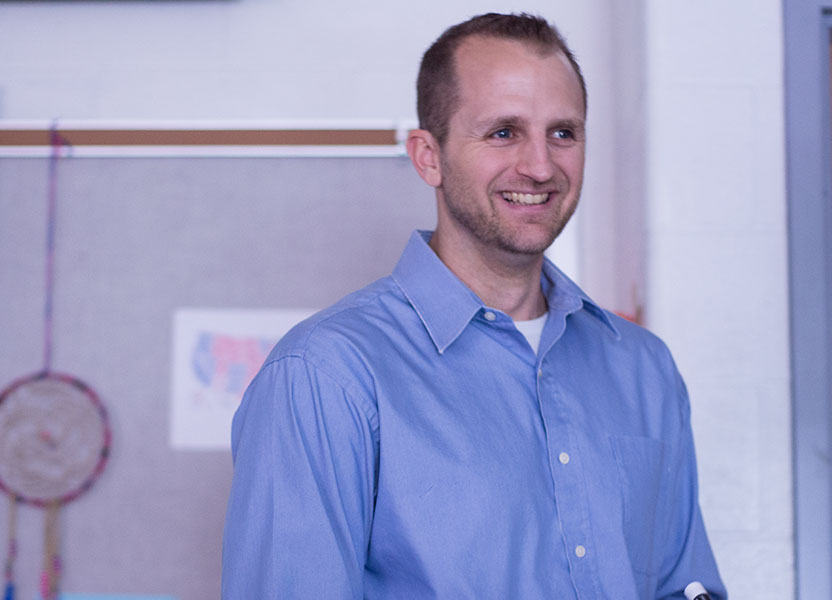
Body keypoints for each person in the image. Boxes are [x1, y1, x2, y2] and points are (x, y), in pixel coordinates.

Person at [222, 12, 726, 599]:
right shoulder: (325, 377)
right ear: (427, 156)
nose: (540, 166)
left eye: (562, 133)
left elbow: (684, 587)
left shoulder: (645, 369)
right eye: (503, 132)